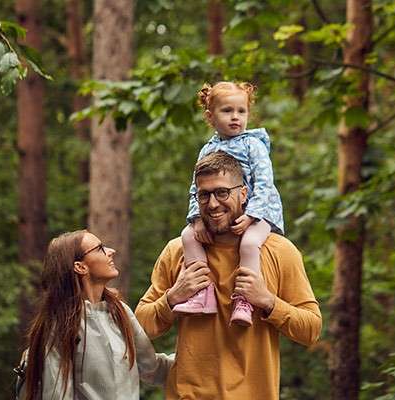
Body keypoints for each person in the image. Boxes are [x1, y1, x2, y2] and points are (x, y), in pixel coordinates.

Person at [135, 151, 321, 400]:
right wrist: (173, 297)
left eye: (222, 192)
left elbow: (311, 330)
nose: (212, 204)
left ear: (243, 194)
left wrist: (267, 301)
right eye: (204, 195)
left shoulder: (278, 251)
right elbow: (140, 326)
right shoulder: (177, 250)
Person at [173, 81, 285, 327]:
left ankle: (244, 299)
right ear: (210, 117)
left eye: (241, 111)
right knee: (188, 237)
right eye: (227, 111)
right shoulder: (207, 150)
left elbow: (266, 183)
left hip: (261, 212)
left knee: (249, 243)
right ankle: (202, 293)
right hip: (220, 215)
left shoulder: (252, 144)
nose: (236, 117)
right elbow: (197, 188)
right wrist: (197, 219)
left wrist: (252, 215)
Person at [20, 230, 172, 400]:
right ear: (80, 267)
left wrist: (200, 353)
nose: (111, 251)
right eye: (100, 248)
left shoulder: (120, 312)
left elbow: (154, 368)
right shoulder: (59, 326)